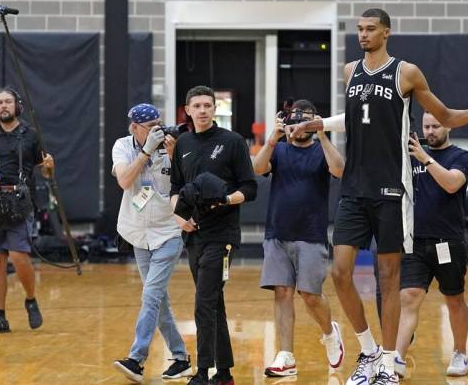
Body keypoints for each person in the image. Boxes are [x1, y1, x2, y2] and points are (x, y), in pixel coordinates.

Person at [286, 8, 468, 385]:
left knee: (389, 277)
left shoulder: (406, 72)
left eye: (370, 30)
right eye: (359, 30)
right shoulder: (350, 71)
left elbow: (444, 116)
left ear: (386, 33)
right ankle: (367, 350)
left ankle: (387, 359)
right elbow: (355, 116)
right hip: (354, 186)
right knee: (340, 272)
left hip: (392, 188)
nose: (363, 35)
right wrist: (318, 123)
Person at [170, 86, 258, 385]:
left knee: (204, 300)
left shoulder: (231, 142)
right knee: (213, 300)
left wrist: (225, 200)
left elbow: (250, 188)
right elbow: (175, 189)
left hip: (224, 235)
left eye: (208, 105)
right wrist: (179, 217)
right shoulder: (182, 143)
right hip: (194, 234)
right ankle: (225, 373)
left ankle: (203, 371)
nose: (203, 110)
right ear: (188, 110)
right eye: (198, 106)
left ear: (215, 108)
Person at [252, 100, 346, 377]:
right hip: (277, 233)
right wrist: (272, 138)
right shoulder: (279, 149)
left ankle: (330, 334)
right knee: (282, 293)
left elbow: (339, 169)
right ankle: (286, 355)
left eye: (307, 120)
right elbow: (257, 169)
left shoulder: (321, 149)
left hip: (311, 234)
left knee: (310, 296)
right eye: (297, 120)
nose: (300, 125)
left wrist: (322, 133)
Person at [387, 112, 468, 378]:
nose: (430, 131)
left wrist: (426, 159)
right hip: (415, 240)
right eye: (426, 126)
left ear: (447, 126)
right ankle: (397, 359)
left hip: (448, 241)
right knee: (409, 297)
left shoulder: (461, 157)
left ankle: (460, 352)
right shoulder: (411, 155)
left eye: (436, 126)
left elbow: (451, 184)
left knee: (454, 298)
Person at [111, 103, 192, 382]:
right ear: (134, 127)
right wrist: (146, 152)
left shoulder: (172, 146)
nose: (157, 130)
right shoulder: (123, 146)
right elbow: (124, 180)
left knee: (151, 295)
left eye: (159, 124)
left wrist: (171, 154)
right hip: (137, 233)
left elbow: (183, 183)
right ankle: (181, 357)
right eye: (150, 126)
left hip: (168, 232)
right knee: (158, 300)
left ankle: (136, 359)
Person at [0, 87, 54, 334]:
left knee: (18, 255)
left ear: (17, 106)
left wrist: (49, 168)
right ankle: (0, 317)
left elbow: (45, 171)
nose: (4, 106)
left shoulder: (31, 136)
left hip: (20, 202)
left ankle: (30, 299)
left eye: (8, 101)